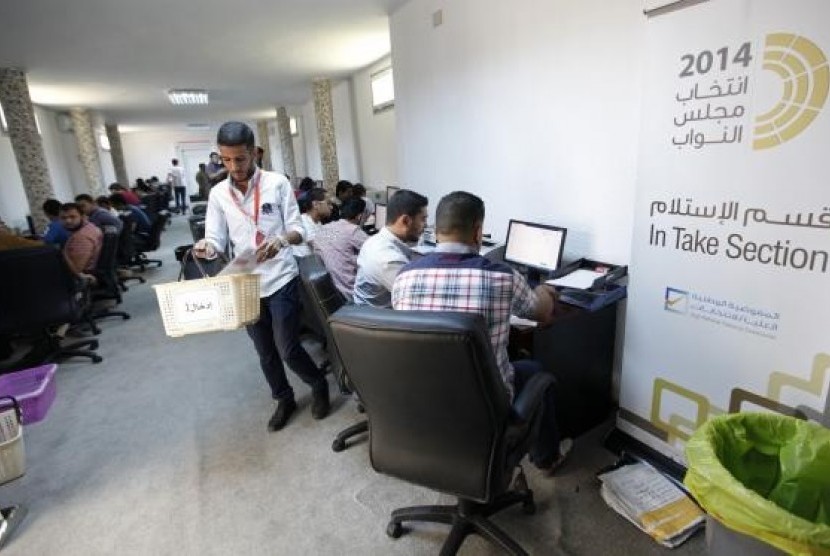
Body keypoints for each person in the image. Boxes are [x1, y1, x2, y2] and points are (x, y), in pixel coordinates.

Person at [392, 191, 571, 473]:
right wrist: (544, 291)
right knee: (534, 370)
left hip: (423, 402)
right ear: (478, 231)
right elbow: (542, 313)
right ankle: (547, 458)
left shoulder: (403, 277)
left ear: (436, 231)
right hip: (486, 407)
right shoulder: (502, 276)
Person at [194, 121, 330, 431]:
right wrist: (206, 247)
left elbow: (300, 228)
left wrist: (281, 240)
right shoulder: (218, 194)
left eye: (240, 159)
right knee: (265, 352)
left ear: (254, 152)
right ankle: (284, 399)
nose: (234, 166)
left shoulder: (277, 184)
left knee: (288, 347)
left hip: (281, 275)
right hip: (245, 282)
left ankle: (318, 384)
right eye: (226, 159)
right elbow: (214, 239)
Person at [353, 189, 428, 308]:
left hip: (369, 311)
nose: (426, 225)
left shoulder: (375, 240)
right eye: (423, 219)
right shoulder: (387, 259)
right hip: (377, 321)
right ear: (406, 220)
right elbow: (419, 301)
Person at [313, 198, 368, 300]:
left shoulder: (324, 228)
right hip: (349, 293)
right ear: (360, 216)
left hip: (331, 290)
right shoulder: (353, 231)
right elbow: (377, 249)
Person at [60, 202, 102, 283]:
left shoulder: (81, 237)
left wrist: (62, 252)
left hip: (83, 275)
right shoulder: (90, 226)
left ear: (82, 216)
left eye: (73, 217)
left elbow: (77, 269)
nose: (68, 221)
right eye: (63, 218)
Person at [293, 188, 330, 258]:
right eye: (328, 203)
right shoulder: (303, 221)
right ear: (315, 204)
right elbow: (319, 246)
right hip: (303, 263)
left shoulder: (318, 222)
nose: (331, 207)